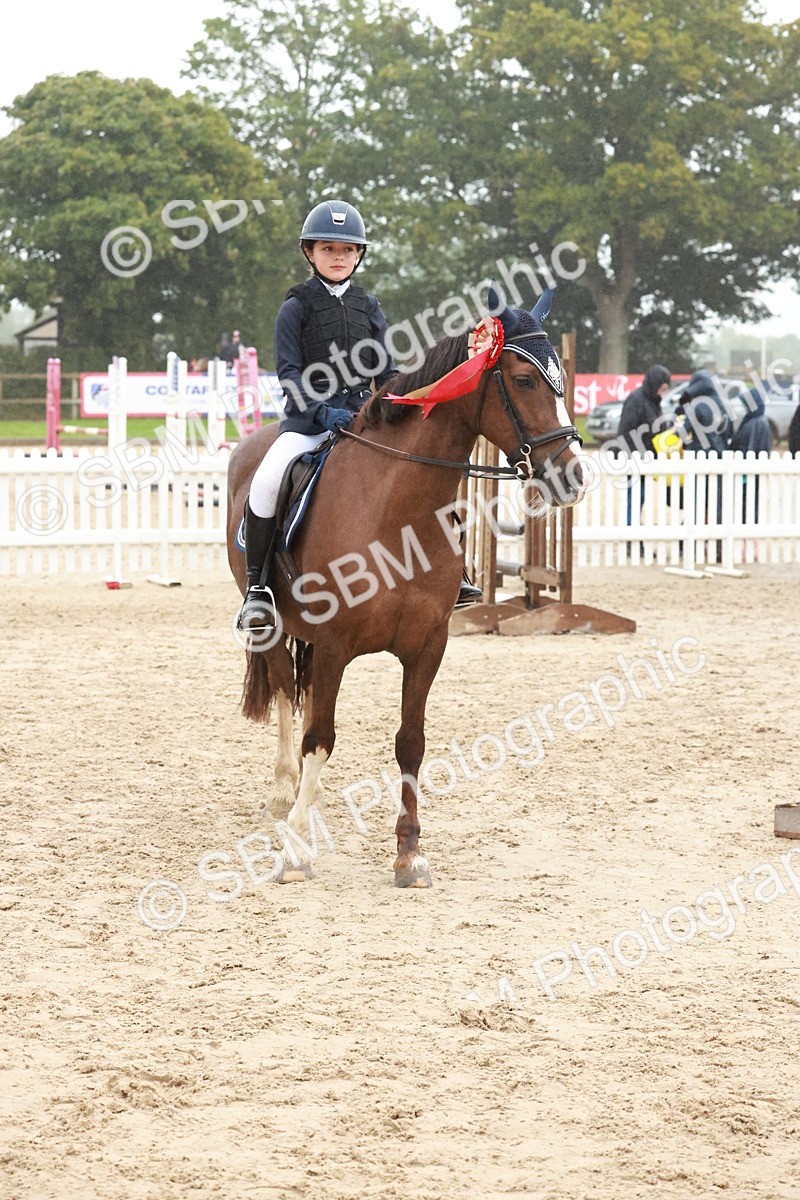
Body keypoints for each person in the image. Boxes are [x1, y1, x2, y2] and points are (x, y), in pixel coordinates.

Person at [237, 200, 481, 632]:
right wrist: (320, 411)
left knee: (418, 476)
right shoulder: (296, 307)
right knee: (267, 481)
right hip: (308, 424)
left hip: (362, 421)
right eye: (328, 248)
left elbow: (386, 372)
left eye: (347, 250)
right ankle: (259, 590)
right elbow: (290, 374)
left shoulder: (369, 307)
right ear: (309, 253)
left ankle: (452, 572)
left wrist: (402, 401)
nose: (338, 257)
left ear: (359, 256)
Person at [616, 364, 672, 530]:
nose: (665, 387)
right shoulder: (636, 399)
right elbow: (626, 429)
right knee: (635, 497)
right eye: (663, 383)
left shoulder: (654, 401)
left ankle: (633, 531)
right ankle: (630, 533)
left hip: (647, 459)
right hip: (634, 457)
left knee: (639, 498)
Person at [731, 386, 772, 523]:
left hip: (748, 473)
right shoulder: (755, 420)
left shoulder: (756, 423)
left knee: (748, 505)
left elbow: (750, 447)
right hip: (749, 472)